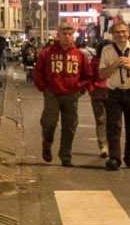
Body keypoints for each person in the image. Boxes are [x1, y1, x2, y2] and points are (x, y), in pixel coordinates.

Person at [33, 24, 94, 167]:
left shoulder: (79, 55)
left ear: (73, 36)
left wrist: (79, 89)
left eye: (69, 34)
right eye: (64, 34)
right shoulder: (47, 53)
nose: (67, 37)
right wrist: (44, 87)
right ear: (58, 36)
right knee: (49, 122)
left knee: (69, 125)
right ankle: (47, 144)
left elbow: (87, 75)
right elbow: (38, 72)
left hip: (71, 94)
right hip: (52, 93)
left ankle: (65, 155)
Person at [97, 21, 130, 170]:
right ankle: (114, 158)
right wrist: (115, 65)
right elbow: (101, 73)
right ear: (113, 34)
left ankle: (129, 157)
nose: (121, 35)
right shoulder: (107, 50)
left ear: (128, 32)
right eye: (117, 32)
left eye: (123, 32)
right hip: (115, 92)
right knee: (113, 126)